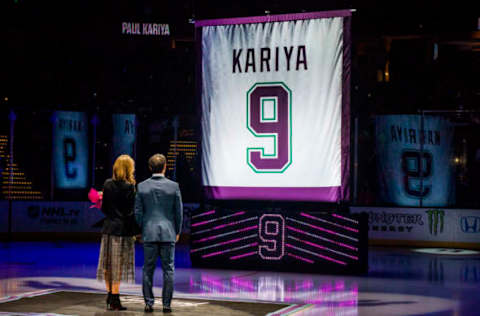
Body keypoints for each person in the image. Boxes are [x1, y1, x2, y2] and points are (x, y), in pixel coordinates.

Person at [135, 154, 183, 313]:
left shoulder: (142, 186)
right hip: (168, 233)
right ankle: (166, 304)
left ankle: (149, 303)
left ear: (150, 168)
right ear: (165, 166)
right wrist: (177, 231)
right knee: (168, 270)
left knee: (147, 269)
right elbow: (179, 212)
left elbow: (138, 213)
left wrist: (140, 230)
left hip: (149, 232)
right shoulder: (174, 186)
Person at [96, 154, 140, 311]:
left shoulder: (107, 184)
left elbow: (105, 209)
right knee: (118, 266)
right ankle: (115, 298)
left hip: (108, 229)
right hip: (122, 231)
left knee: (108, 264)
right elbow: (130, 212)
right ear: (129, 169)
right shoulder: (130, 187)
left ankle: (110, 295)